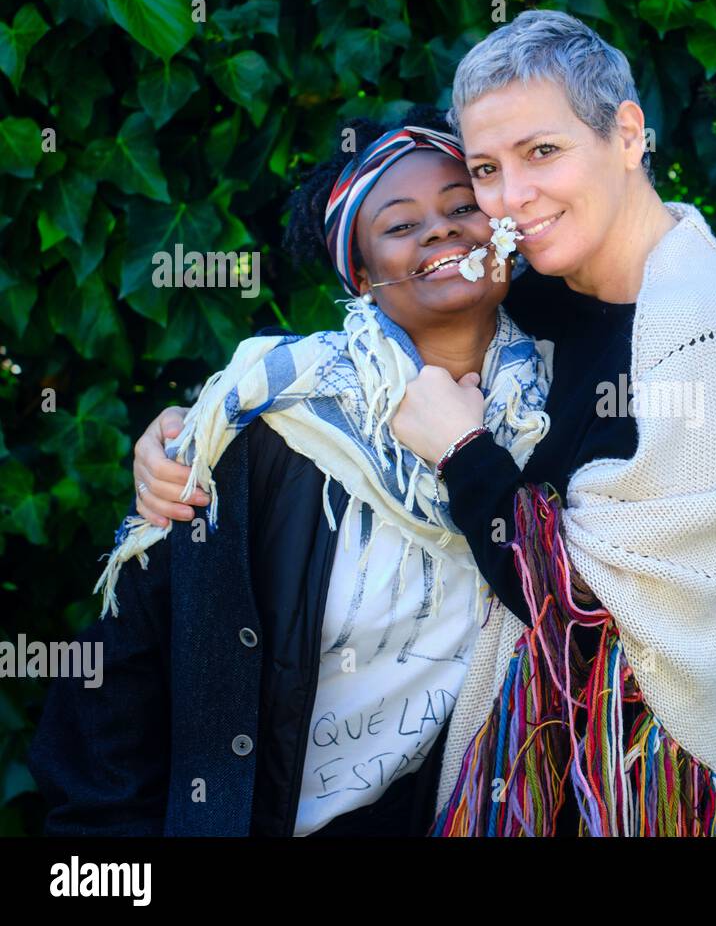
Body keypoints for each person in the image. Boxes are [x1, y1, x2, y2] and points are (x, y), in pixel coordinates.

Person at [131, 11, 716, 836]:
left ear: (628, 133)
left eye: (543, 153)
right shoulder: (532, 304)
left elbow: (593, 618)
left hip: (643, 793)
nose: (512, 198)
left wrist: (464, 453)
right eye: (488, 168)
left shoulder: (696, 336)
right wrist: (186, 431)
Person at [29, 109, 556, 836]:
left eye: (463, 206)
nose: (440, 229)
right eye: (400, 225)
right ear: (363, 277)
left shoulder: (559, 423)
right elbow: (120, 674)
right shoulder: (268, 421)